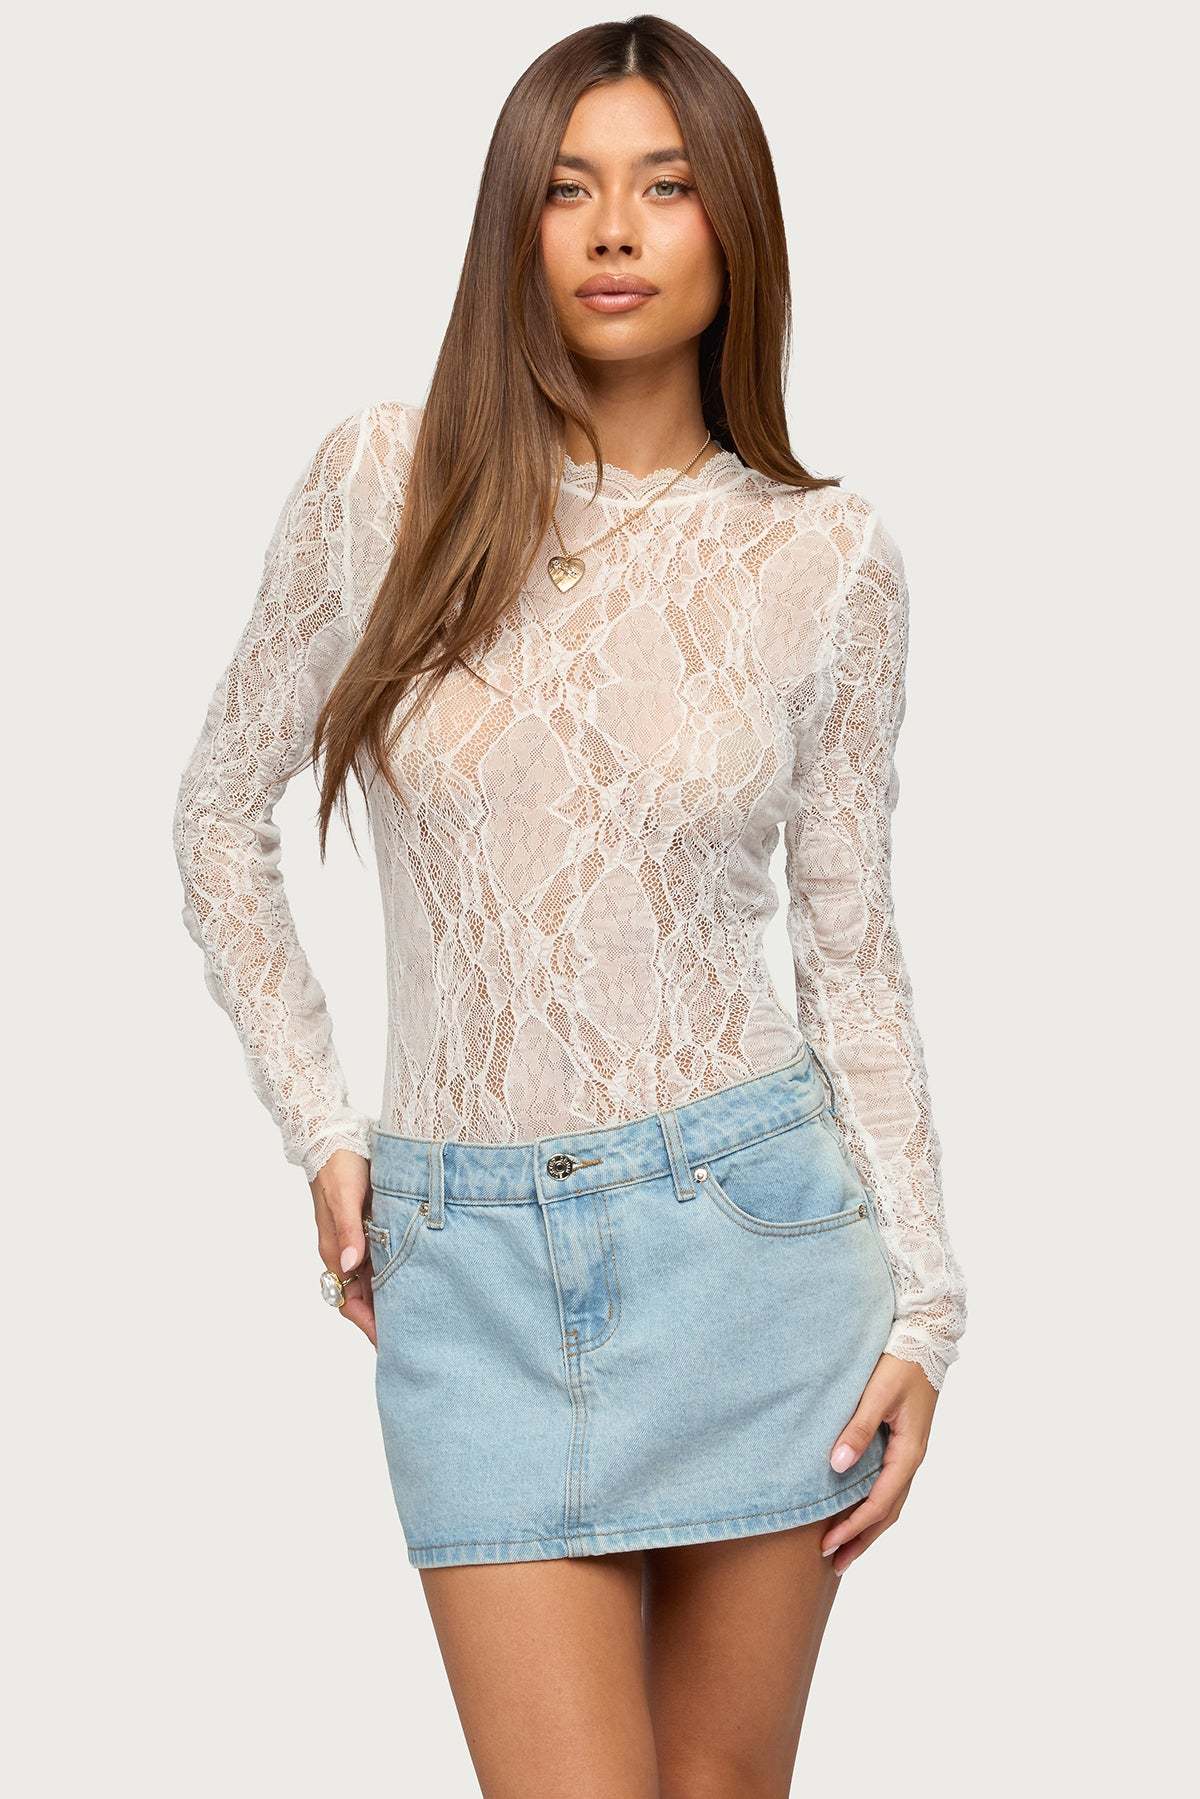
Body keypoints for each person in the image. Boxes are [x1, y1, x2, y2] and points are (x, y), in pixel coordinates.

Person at [172, 16, 967, 1796]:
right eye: (567, 189)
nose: (614, 229)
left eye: (665, 186)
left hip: (752, 1250)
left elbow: (851, 954)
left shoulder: (825, 556)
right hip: (466, 1274)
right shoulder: (384, 480)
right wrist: (322, 1128)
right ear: (512, 229)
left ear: (734, 222)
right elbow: (218, 816)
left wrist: (927, 1311)